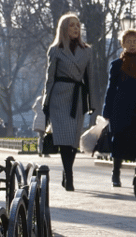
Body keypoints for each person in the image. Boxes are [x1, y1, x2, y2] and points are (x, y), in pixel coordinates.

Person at [41, 12, 96, 191]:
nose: (75, 28)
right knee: (63, 138)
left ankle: (67, 172)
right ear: (64, 28)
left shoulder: (87, 51)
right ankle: (69, 176)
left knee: (73, 140)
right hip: (59, 97)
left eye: (78, 26)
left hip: (77, 98)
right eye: (71, 25)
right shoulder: (55, 49)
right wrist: (46, 101)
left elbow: (91, 79)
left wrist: (92, 103)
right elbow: (49, 78)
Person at [103, 28, 136, 186]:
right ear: (123, 44)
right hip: (120, 108)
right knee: (119, 140)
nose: (132, 45)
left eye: (135, 42)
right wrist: (107, 111)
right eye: (129, 42)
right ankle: (116, 173)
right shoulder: (116, 65)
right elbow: (111, 89)